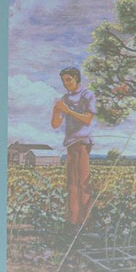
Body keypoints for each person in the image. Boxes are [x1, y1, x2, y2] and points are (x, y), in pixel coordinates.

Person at [51, 66, 96, 228]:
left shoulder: (87, 95)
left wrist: (67, 110)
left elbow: (88, 119)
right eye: (63, 81)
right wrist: (56, 111)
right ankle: (74, 220)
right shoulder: (65, 98)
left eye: (68, 80)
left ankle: (85, 221)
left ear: (76, 78)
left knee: (83, 182)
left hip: (83, 143)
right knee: (72, 183)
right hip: (70, 144)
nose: (66, 83)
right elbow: (55, 125)